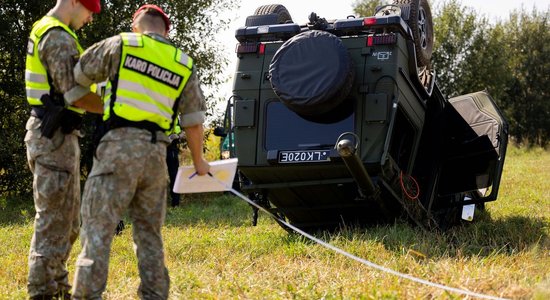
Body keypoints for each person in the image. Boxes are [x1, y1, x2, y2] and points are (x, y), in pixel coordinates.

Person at [70, 4, 210, 299]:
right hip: (156, 155)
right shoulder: (183, 63)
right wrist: (199, 162)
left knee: (98, 229)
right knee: (149, 235)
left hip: (117, 147)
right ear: (167, 30)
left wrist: (91, 102)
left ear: (136, 25)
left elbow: (77, 75)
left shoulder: (121, 43)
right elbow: (194, 122)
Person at [23, 0, 102, 299]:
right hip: (53, 138)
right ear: (72, 2)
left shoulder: (52, 31)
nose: (90, 19)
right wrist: (116, 109)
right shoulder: (56, 36)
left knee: (68, 223)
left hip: (57, 137)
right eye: (89, 10)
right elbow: (76, 94)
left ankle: (58, 289)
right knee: (53, 224)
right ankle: (43, 293)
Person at [167, 119, 184, 207]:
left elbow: (183, 133)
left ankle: (175, 204)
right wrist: (169, 138)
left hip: (172, 149)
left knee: (175, 177)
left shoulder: (176, 117)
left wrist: (179, 136)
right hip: (158, 149)